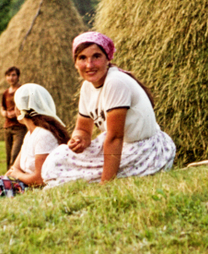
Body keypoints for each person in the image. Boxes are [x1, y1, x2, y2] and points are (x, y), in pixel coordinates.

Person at [41, 32, 175, 187]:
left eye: (96, 56)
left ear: (108, 58)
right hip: (117, 145)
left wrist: (106, 184)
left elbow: (115, 137)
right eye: (82, 58)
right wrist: (79, 140)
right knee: (56, 159)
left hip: (143, 150)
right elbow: (83, 129)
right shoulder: (87, 87)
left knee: (68, 176)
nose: (89, 65)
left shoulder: (115, 82)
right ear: (75, 63)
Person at [0, 84, 69, 200]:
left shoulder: (43, 135)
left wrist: (18, 175)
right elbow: (13, 169)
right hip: (26, 184)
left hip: (38, 188)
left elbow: (40, 179)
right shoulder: (30, 134)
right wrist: (6, 176)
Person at [0, 66, 27, 170]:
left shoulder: (22, 90)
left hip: (19, 127)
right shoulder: (5, 93)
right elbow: (2, 107)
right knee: (8, 156)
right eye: (8, 75)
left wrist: (16, 113)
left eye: (13, 75)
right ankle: (8, 179)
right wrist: (5, 114)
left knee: (15, 155)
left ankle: (15, 177)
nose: (11, 78)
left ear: (18, 76)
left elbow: (26, 106)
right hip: (8, 127)